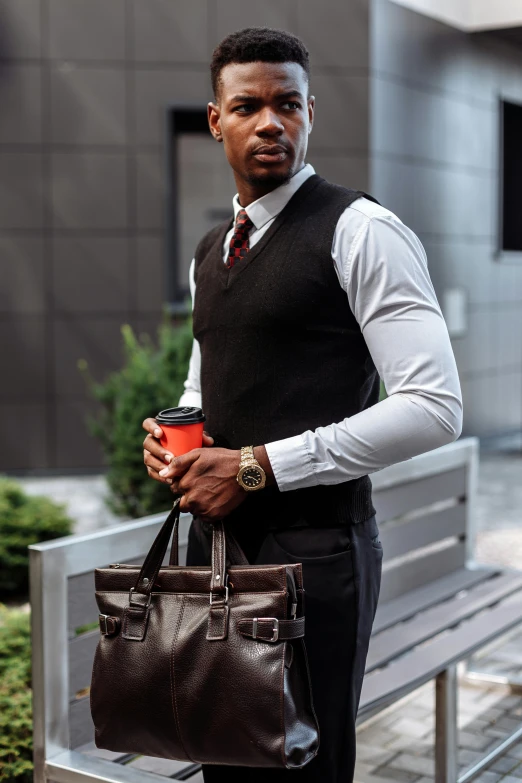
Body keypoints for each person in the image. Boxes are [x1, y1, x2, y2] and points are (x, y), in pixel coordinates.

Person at [142, 27, 463, 783]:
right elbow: (204, 385)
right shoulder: (211, 251)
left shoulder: (362, 230)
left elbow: (434, 404)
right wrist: (172, 438)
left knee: (306, 769)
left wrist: (255, 468)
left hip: (317, 558)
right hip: (216, 553)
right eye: (248, 105)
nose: (270, 122)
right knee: (227, 760)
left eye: (287, 103)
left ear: (311, 110)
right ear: (216, 119)